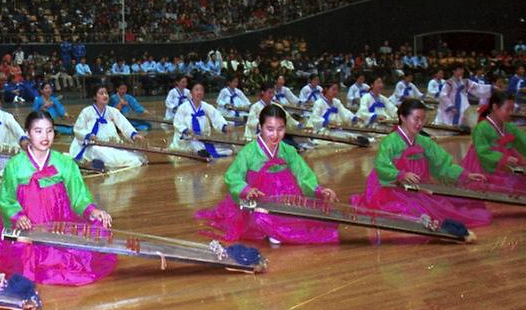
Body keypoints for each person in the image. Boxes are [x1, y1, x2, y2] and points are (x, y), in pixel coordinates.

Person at [0, 111, 116, 285]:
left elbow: (78, 196)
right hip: (26, 225)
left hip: (57, 223)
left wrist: (92, 210)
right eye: (38, 131)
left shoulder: (65, 163)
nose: (45, 136)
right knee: (24, 254)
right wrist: (18, 216)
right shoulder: (15, 165)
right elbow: (6, 199)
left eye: (49, 131)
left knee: (92, 235)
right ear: (27, 133)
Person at [195, 105, 339, 245]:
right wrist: (246, 190)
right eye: (269, 129)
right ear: (260, 126)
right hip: (258, 198)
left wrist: (318, 189)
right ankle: (271, 229)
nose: (275, 135)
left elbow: (303, 175)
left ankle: (276, 229)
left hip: (285, 198)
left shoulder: (288, 150)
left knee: (320, 218)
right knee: (261, 219)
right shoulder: (249, 152)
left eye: (280, 129)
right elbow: (233, 176)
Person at [351, 99, 492, 228]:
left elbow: (443, 164)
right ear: (403, 118)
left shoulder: (425, 142)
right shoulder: (390, 142)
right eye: (416, 119)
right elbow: (381, 166)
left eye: (422, 119)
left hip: (419, 187)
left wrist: (465, 174)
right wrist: (400, 174)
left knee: (448, 207)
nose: (420, 124)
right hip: (392, 187)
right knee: (416, 210)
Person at [461, 91, 526, 192]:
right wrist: (504, 158)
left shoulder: (509, 127)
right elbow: (482, 152)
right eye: (507, 109)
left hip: (507, 167)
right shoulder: (481, 129)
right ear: (495, 107)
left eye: (512, 110)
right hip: (484, 168)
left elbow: (523, 141)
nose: (510, 113)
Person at [69, 85, 146, 169]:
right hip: (91, 144)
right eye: (101, 93)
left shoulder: (112, 111)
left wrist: (133, 134)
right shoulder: (87, 111)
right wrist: (88, 135)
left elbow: (124, 124)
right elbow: (78, 129)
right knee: (98, 151)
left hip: (110, 142)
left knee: (133, 156)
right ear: (95, 97)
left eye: (106, 93)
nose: (105, 95)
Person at [171, 82, 235, 158]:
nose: (199, 92)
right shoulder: (183, 107)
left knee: (229, 150)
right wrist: (186, 130)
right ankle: (200, 151)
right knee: (193, 144)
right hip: (187, 140)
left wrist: (224, 126)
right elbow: (177, 123)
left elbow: (216, 117)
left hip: (202, 138)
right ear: (191, 93)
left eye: (201, 90)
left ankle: (202, 151)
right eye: (197, 90)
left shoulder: (206, 106)